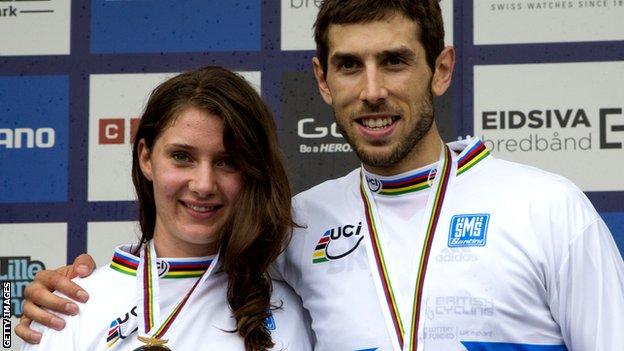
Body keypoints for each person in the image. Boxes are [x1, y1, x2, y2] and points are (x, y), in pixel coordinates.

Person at [17, 1, 624, 350]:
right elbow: (185, 275)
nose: (374, 90)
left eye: (395, 61)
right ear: (322, 81)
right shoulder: (298, 226)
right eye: (349, 66)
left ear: (441, 70)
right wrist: (61, 292)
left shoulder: (548, 207)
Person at [19, 66, 312, 350]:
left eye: (227, 162)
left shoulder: (287, 307)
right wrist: (9, 306)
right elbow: (8, 327)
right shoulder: (71, 303)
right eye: (182, 157)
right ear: (146, 158)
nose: (203, 184)